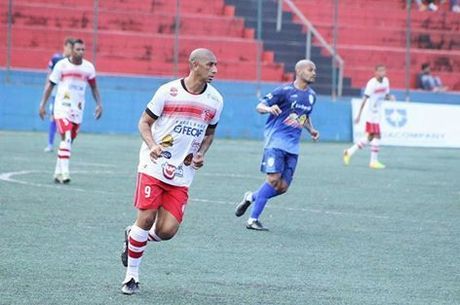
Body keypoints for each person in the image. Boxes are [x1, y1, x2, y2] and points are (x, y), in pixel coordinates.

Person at [120, 48, 223, 295]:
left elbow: (209, 134)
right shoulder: (167, 91)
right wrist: (152, 145)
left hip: (182, 173)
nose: (215, 70)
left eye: (215, 65)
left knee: (167, 231)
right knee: (145, 218)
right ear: (194, 65)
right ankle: (131, 276)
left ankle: (132, 235)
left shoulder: (215, 100)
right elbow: (144, 122)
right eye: (210, 65)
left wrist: (201, 154)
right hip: (154, 164)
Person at [234, 59, 319, 231]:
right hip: (276, 142)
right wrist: (269, 109)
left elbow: (304, 116)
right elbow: (259, 106)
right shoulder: (284, 91)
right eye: (311, 69)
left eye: (315, 70)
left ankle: (251, 197)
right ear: (300, 71)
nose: (314, 73)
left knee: (282, 187)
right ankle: (252, 220)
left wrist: (311, 130)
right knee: (273, 180)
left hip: (293, 147)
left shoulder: (312, 96)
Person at [38, 38, 103, 183]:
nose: (81, 52)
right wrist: (42, 104)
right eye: (78, 49)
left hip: (78, 108)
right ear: (72, 50)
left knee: (68, 141)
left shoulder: (88, 68)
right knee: (66, 136)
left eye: (83, 50)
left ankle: (57, 172)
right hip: (62, 107)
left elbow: (93, 87)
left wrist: (99, 104)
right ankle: (65, 173)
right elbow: (50, 85)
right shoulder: (61, 65)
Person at [343, 64, 394, 169]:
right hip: (371, 113)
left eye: (383, 71)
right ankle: (373, 161)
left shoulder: (386, 81)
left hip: (378, 112)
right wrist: (359, 115)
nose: (382, 73)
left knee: (369, 137)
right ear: (375, 72)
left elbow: (386, 94)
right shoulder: (371, 84)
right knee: (377, 135)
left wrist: (390, 97)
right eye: (380, 71)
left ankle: (349, 152)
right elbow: (364, 99)